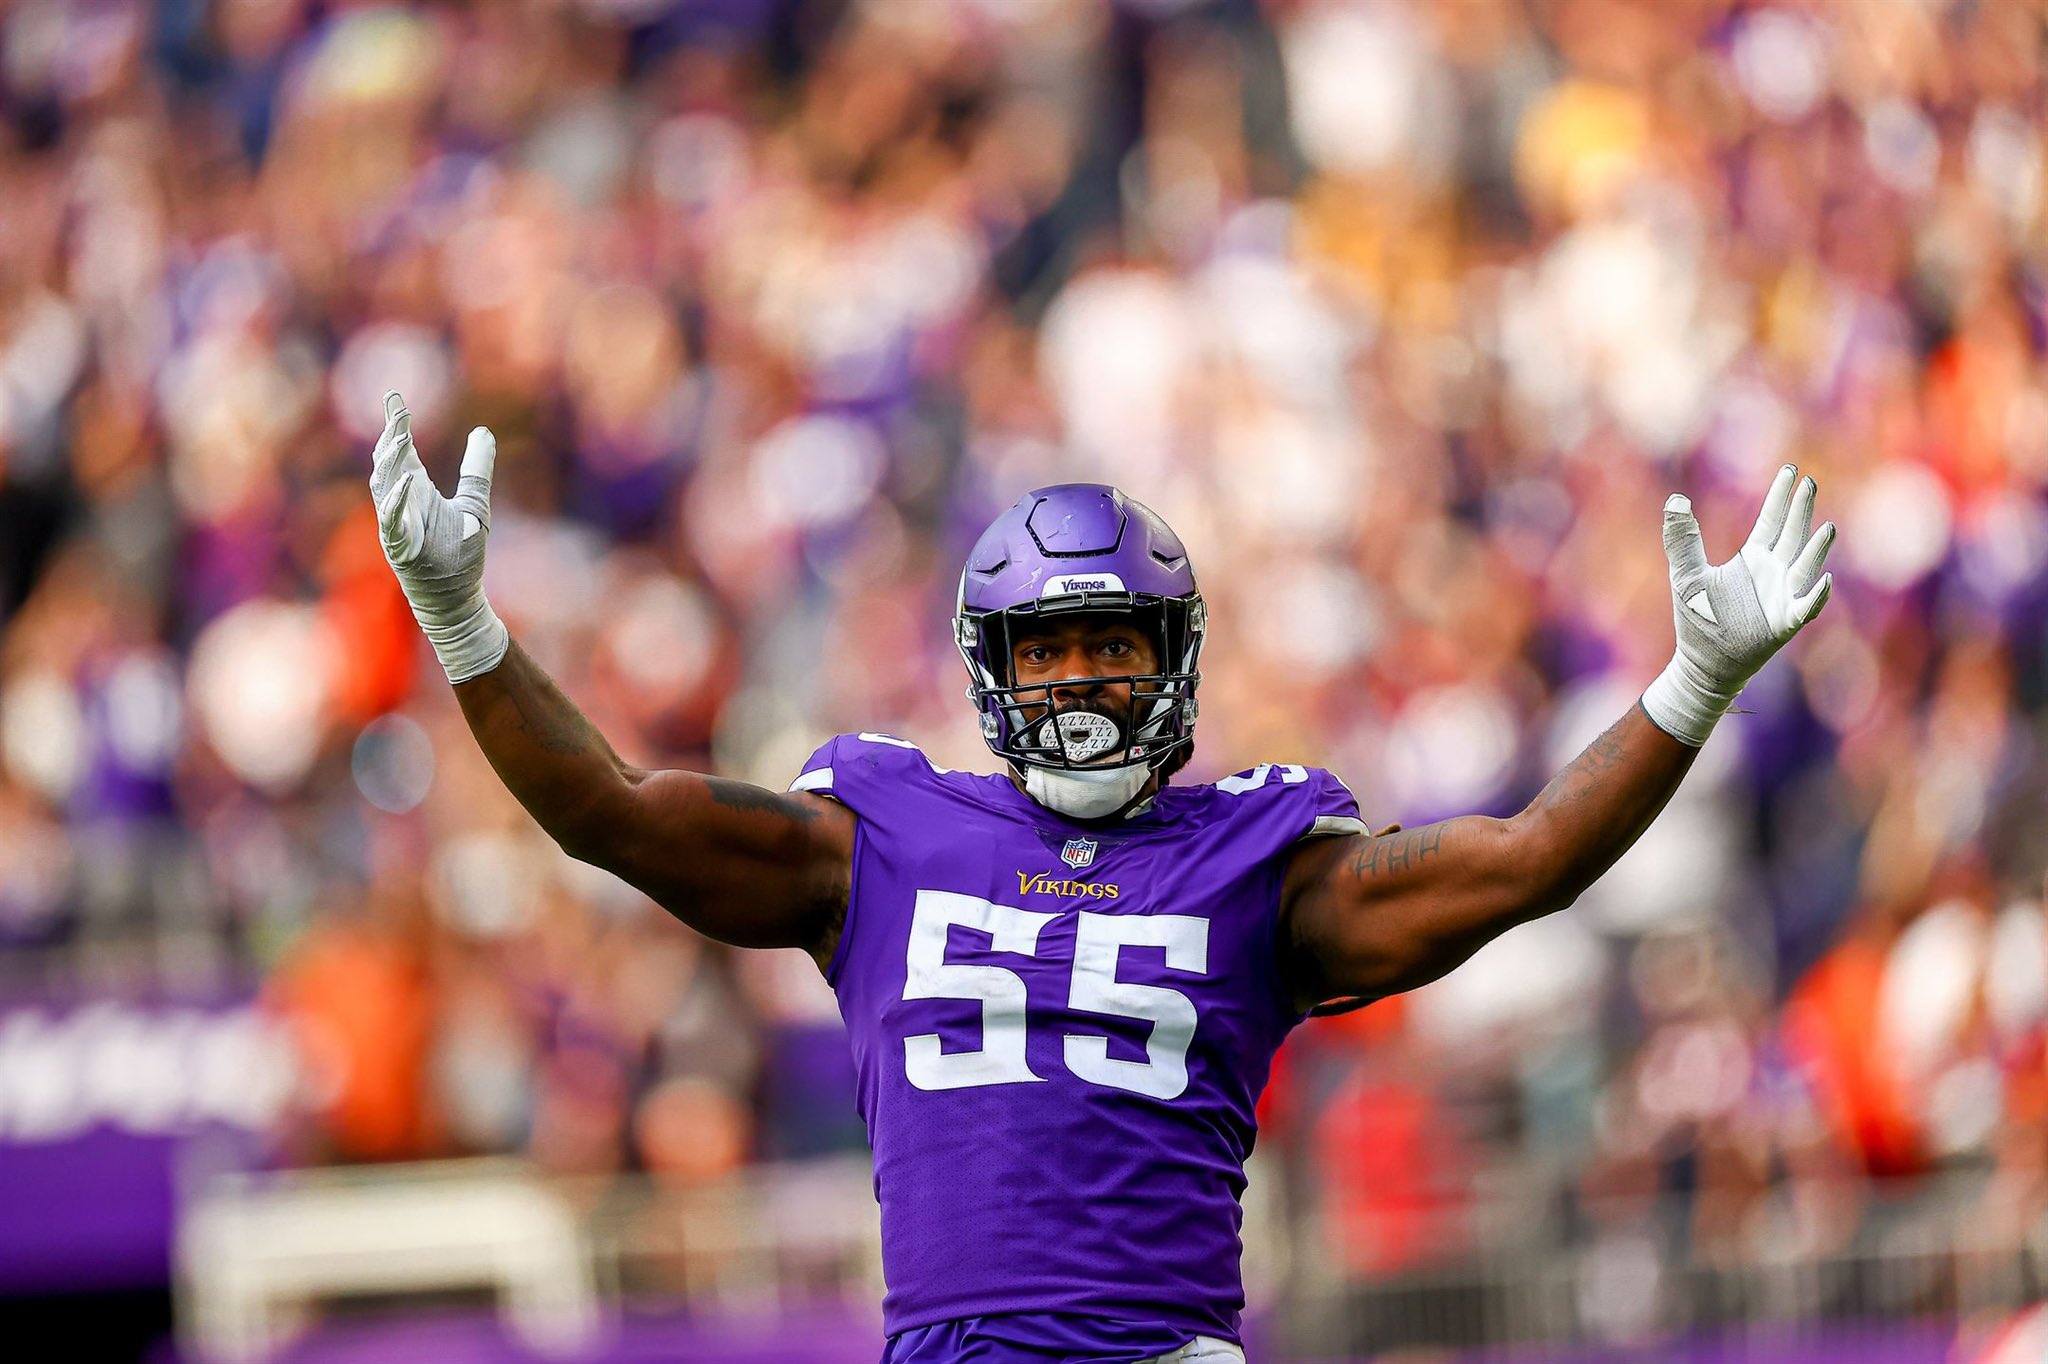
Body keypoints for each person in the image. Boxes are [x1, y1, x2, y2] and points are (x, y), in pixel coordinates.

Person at [366, 391, 1835, 1363]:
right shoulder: (877, 839)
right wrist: (460, 622)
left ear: (1172, 659)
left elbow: (1527, 865)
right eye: (1048, 648)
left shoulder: (1255, 861)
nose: (1080, 677)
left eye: (1113, 642)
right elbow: (611, 815)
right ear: (990, 671)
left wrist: (1693, 686)